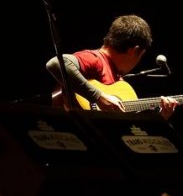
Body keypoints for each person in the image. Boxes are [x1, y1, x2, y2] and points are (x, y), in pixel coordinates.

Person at [46, 14, 179, 120]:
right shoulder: (96, 59)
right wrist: (98, 96)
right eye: (141, 56)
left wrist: (160, 117)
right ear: (134, 50)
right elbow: (55, 63)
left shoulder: (118, 78)